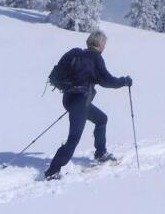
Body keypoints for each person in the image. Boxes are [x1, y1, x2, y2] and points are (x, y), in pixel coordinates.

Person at [45, 30, 133, 180]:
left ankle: (100, 153)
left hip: (69, 99)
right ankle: (52, 171)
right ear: (99, 43)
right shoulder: (95, 58)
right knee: (73, 138)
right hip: (81, 102)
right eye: (104, 44)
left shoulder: (75, 53)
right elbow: (107, 81)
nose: (105, 47)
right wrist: (124, 81)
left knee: (101, 119)